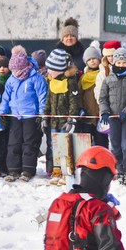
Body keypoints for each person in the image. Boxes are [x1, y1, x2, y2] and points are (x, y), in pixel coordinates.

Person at [0, 45, 47, 182]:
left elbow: (42, 96)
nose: (16, 72)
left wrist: (41, 114)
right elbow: (6, 97)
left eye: (18, 69)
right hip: (15, 115)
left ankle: (28, 169)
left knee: (29, 142)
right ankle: (13, 169)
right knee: (14, 142)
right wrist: (3, 112)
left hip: (30, 116)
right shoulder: (11, 80)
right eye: (13, 70)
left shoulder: (36, 78)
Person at [99, 48, 126, 185]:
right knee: (115, 145)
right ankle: (119, 169)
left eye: (124, 62)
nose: (121, 65)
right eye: (119, 62)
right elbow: (103, 98)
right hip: (113, 117)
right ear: (114, 62)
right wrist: (105, 111)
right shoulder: (108, 79)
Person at [43, 48, 82, 183]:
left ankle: (67, 171)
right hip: (54, 121)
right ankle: (56, 170)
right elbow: (48, 100)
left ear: (59, 69)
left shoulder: (70, 81)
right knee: (54, 146)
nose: (48, 72)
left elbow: (73, 101)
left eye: (51, 69)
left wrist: (72, 119)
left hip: (65, 121)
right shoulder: (51, 81)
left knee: (65, 145)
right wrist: (45, 116)